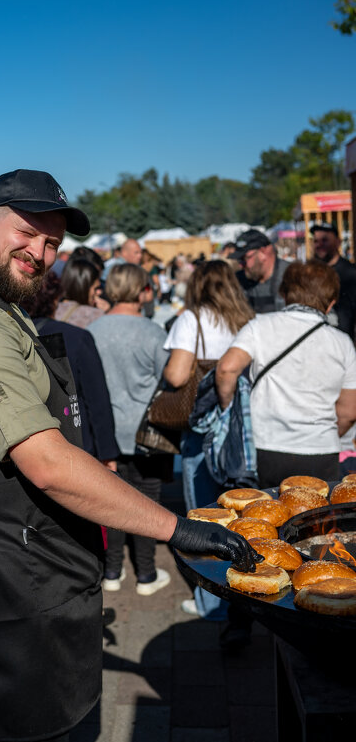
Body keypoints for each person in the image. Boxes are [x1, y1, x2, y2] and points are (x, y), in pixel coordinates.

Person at [0, 168, 260, 742]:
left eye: (51, 242)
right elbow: (47, 463)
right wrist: (176, 527)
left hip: (18, 562)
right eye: (27, 232)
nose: (39, 252)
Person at [163, 260, 254, 618]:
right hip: (240, 427)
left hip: (202, 430)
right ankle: (244, 589)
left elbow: (176, 375)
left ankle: (212, 603)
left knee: (203, 517)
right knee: (239, 509)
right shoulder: (247, 321)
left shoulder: (192, 319)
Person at [217, 260, 356, 486]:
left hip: (265, 445)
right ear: (331, 303)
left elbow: (226, 368)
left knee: (262, 518)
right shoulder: (343, 343)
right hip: (321, 450)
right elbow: (349, 413)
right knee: (315, 518)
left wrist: (228, 410)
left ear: (283, 293)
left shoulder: (259, 327)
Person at [89, 263, 173, 596]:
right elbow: (170, 378)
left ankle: (112, 571)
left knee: (110, 504)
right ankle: (147, 575)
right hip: (146, 431)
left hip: (106, 432)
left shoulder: (94, 330)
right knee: (147, 505)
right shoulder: (154, 332)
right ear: (142, 291)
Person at [21, 271, 119, 465]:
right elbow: (97, 400)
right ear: (56, 299)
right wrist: (107, 454)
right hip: (76, 445)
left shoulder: (9, 333)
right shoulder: (74, 337)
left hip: (26, 446)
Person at [311, 222, 356, 337]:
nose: (319, 245)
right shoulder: (311, 274)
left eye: (325, 240)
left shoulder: (350, 273)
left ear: (338, 242)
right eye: (316, 241)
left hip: (344, 344)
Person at [229, 229, 289, 313]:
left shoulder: (290, 277)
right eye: (240, 260)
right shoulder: (238, 281)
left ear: (263, 253)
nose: (241, 265)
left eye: (246, 258)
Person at [54, 257, 105, 328]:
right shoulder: (94, 315)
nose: (99, 292)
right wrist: (107, 314)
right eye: (96, 288)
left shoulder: (50, 310)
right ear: (83, 286)